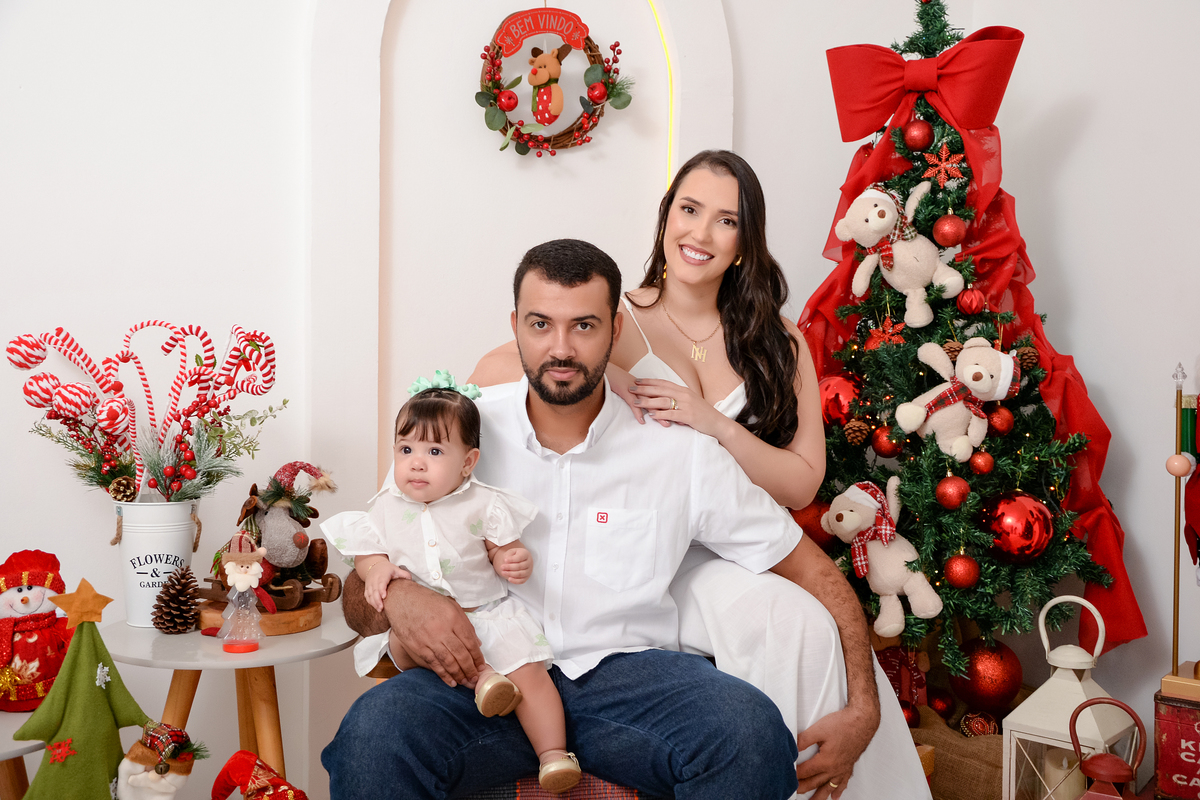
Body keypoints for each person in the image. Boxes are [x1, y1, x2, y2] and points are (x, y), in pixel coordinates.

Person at [470, 152, 928, 799]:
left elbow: (800, 482)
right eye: (688, 210)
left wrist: (714, 426)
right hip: (659, 549)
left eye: (725, 220)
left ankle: (813, 771)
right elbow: (488, 372)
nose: (700, 233)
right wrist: (611, 377)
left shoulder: (778, 339)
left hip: (740, 542)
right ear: (665, 219)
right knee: (776, 619)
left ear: (746, 240)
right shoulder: (616, 319)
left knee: (797, 618)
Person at [324, 239, 829, 799]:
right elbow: (358, 593)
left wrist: (862, 710)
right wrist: (398, 600)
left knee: (751, 735)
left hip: (629, 682)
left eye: (583, 326)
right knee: (371, 736)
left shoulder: (679, 452)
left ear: (615, 331)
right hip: (483, 678)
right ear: (515, 326)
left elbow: (811, 569)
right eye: (541, 324)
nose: (560, 348)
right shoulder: (451, 437)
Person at [320, 384, 581, 794]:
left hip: (484, 616)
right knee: (405, 648)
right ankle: (485, 682)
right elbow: (367, 552)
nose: (417, 464)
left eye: (435, 452)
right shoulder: (386, 507)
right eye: (406, 451)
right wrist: (376, 569)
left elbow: (502, 549)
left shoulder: (482, 503)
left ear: (468, 462)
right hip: (422, 633)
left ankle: (553, 754)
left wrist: (511, 560)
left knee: (530, 672)